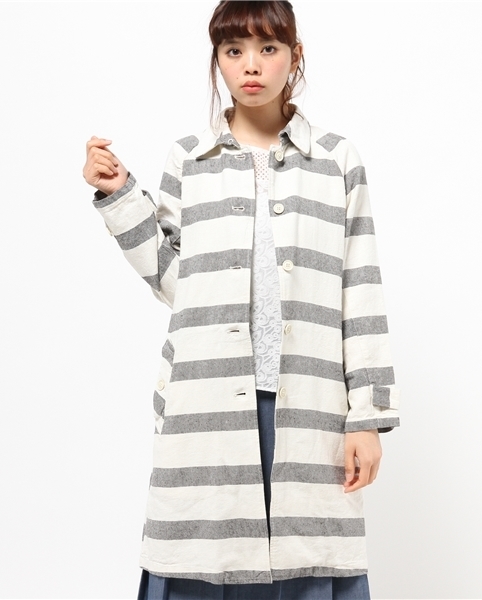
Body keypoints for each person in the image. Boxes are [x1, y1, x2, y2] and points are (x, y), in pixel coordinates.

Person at [83, 1, 400, 598]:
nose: (250, 65)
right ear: (218, 60)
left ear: (295, 56)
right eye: (234, 51)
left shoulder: (337, 161)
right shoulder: (189, 159)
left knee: (309, 556)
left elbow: (360, 286)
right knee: (202, 555)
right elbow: (178, 284)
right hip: (209, 396)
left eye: (267, 48)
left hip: (308, 399)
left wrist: (368, 417)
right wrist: (121, 196)